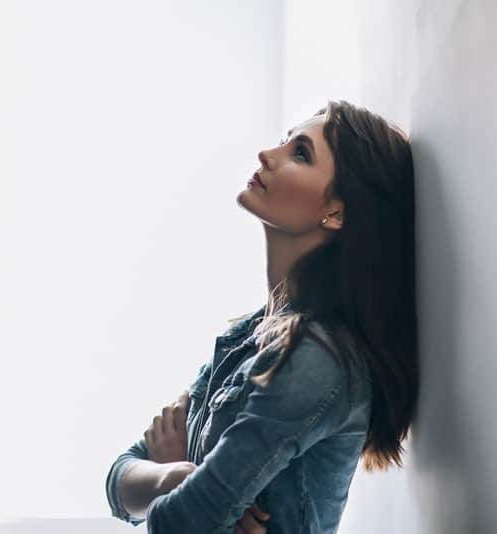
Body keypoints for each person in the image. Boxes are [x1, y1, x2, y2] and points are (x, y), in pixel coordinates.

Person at [105, 99, 418, 533]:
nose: (268, 155)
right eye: (283, 141)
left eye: (301, 153)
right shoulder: (246, 336)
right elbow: (118, 479)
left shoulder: (316, 355)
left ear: (337, 212)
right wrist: (174, 476)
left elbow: (178, 523)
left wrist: (171, 486)